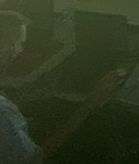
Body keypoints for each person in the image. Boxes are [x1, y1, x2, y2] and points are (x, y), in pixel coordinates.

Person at [0, 11, 125, 164]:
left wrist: (21, 99)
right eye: (20, 44)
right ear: (5, 48)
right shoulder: (5, 114)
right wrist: (88, 106)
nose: (21, 51)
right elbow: (36, 159)